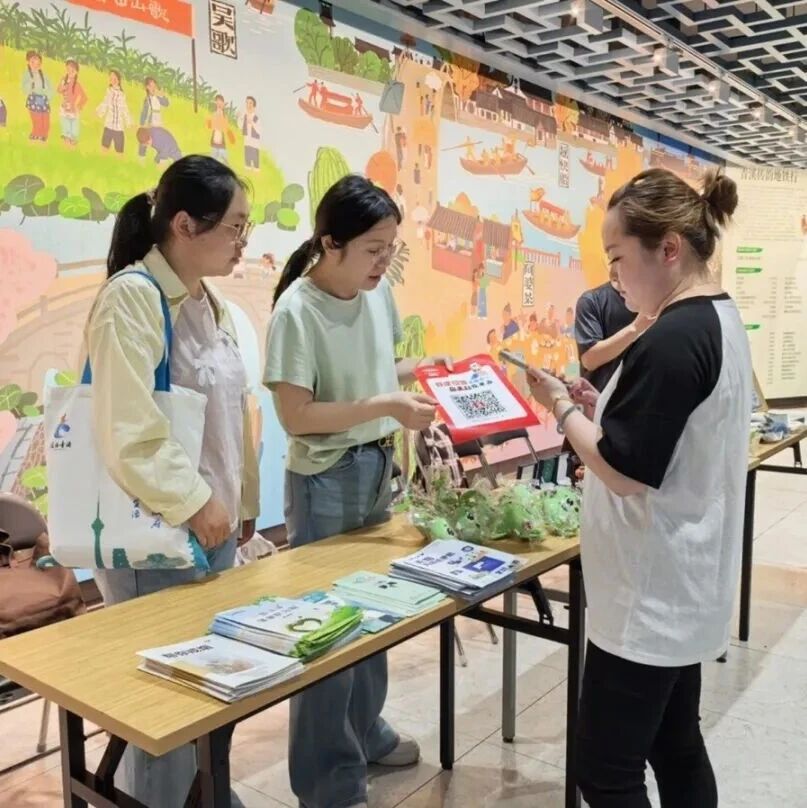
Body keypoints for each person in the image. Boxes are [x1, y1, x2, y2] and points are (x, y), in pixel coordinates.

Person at [528, 167, 751, 808]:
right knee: (675, 745)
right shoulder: (714, 318)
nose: (615, 278)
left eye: (618, 258)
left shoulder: (673, 337)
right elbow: (664, 434)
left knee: (605, 771)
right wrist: (597, 405)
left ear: (669, 248)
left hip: (650, 596)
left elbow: (623, 471)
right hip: (682, 581)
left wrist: (560, 409)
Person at [264, 174, 451, 808]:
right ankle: (328, 781)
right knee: (328, 632)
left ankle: (365, 730)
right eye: (374, 249)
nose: (383, 262)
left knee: (373, 614)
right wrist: (384, 405)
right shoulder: (296, 311)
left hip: (375, 467)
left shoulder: (377, 294)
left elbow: (375, 369)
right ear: (330, 243)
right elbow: (297, 415)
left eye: (390, 249)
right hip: (325, 480)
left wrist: (420, 372)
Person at [85, 155, 260, 808]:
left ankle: (207, 797)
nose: (243, 241)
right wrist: (197, 504)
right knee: (163, 712)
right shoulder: (133, 298)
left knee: (211, 692)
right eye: (235, 227)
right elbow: (130, 430)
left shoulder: (210, 304)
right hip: (157, 537)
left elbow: (231, 414)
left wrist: (243, 502)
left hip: (212, 528)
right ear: (185, 225)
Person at [575, 262, 654, 391]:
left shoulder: (656, 299)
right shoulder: (592, 300)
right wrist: (635, 328)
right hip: (600, 397)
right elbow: (589, 360)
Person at [97, 70, 130, 156]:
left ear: (118, 80)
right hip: (108, 125)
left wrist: (129, 123)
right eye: (111, 78)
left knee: (119, 152)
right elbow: (104, 103)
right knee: (104, 149)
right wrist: (98, 113)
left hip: (119, 127)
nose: (113, 80)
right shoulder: (108, 91)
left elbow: (125, 109)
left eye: (115, 78)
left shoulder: (122, 94)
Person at [22, 50, 53, 143]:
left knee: (45, 118)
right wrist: (30, 84)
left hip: (43, 98)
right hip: (33, 98)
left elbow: (49, 87)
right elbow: (24, 87)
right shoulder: (27, 74)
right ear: (28, 62)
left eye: (38, 63)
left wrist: (49, 95)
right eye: (33, 62)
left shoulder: (44, 75)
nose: (35, 65)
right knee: (36, 118)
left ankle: (44, 134)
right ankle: (36, 133)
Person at [57, 59, 87, 148]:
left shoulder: (77, 84)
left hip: (73, 110)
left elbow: (84, 97)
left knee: (74, 129)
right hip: (64, 109)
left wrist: (79, 106)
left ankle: (72, 143)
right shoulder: (63, 80)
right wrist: (62, 88)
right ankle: (67, 143)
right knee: (65, 127)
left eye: (72, 71)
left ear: (76, 72)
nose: (70, 72)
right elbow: (58, 90)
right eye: (68, 70)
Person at [138, 77, 169, 158]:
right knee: (144, 139)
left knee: (158, 139)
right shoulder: (147, 99)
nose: (153, 88)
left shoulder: (158, 97)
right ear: (147, 87)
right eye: (151, 86)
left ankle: (159, 157)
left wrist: (162, 96)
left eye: (154, 86)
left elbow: (166, 104)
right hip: (149, 122)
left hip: (157, 121)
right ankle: (141, 157)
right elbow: (144, 112)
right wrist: (142, 124)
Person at [207, 94, 235, 163]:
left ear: (223, 104)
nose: (219, 104)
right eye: (217, 102)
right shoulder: (213, 114)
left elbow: (225, 127)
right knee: (213, 159)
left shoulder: (224, 116)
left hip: (221, 143)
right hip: (214, 141)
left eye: (220, 102)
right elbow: (210, 126)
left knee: (224, 159)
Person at [239, 96, 261, 172]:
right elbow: (240, 126)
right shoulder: (244, 116)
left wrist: (252, 122)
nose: (248, 105)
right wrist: (240, 117)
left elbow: (259, 130)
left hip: (254, 143)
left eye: (250, 103)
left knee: (255, 164)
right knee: (247, 163)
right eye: (247, 103)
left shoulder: (256, 118)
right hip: (247, 141)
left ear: (254, 106)